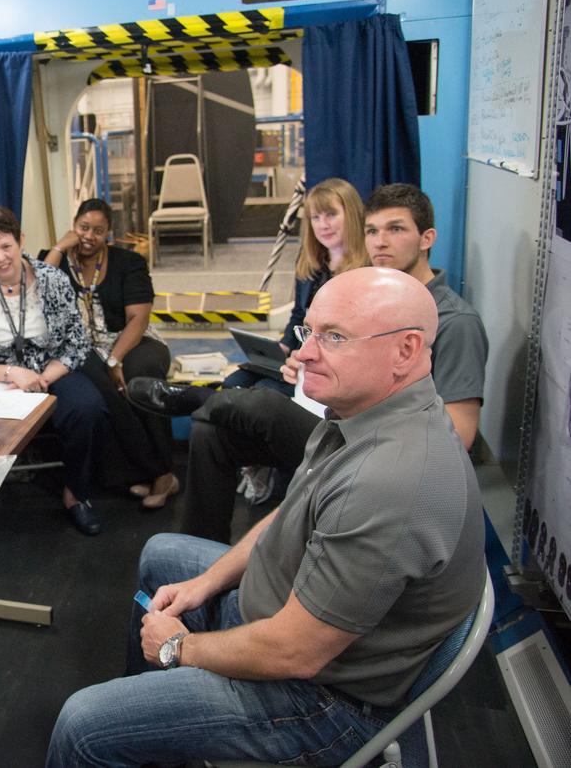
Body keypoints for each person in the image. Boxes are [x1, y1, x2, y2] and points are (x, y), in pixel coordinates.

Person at [47, 267, 486, 767]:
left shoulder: (390, 481)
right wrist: (204, 584)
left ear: (405, 350)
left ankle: (131, 729)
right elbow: (289, 513)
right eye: (309, 332)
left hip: (319, 700)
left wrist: (178, 649)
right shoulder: (359, 413)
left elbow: (295, 653)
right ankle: (147, 735)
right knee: (163, 555)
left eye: (334, 337)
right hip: (284, 617)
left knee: (83, 724)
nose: (305, 353)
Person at [131, 183, 488, 544]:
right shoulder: (367, 300)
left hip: (376, 450)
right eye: (371, 231)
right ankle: (200, 551)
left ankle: (197, 398)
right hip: (333, 422)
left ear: (427, 238)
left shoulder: (455, 322)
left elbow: (458, 435)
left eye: (396, 229)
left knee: (267, 406)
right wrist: (306, 365)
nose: (380, 242)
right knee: (211, 434)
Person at [0, 206, 107, 550]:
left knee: (87, 407)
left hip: (49, 369)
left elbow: (77, 343)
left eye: (6, 246)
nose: (0, 257)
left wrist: (44, 378)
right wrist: (10, 373)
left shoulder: (52, 280)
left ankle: (76, 494)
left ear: (21, 241)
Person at [40, 198, 178, 509]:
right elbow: (38, 294)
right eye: (83, 227)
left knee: (141, 375)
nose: (89, 236)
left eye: (98, 230)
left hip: (131, 339)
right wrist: (59, 247)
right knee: (99, 379)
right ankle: (156, 470)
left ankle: (161, 472)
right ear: (73, 226)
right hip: (81, 347)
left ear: (108, 234)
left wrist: (116, 359)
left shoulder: (128, 262)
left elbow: (138, 319)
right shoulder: (54, 259)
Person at [221, 178, 368, 394]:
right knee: (233, 383)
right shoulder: (309, 262)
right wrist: (284, 345)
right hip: (296, 356)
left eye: (331, 215)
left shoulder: (366, 271)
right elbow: (299, 315)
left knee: (260, 392)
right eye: (315, 217)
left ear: (352, 214)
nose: (323, 225)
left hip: (325, 364)